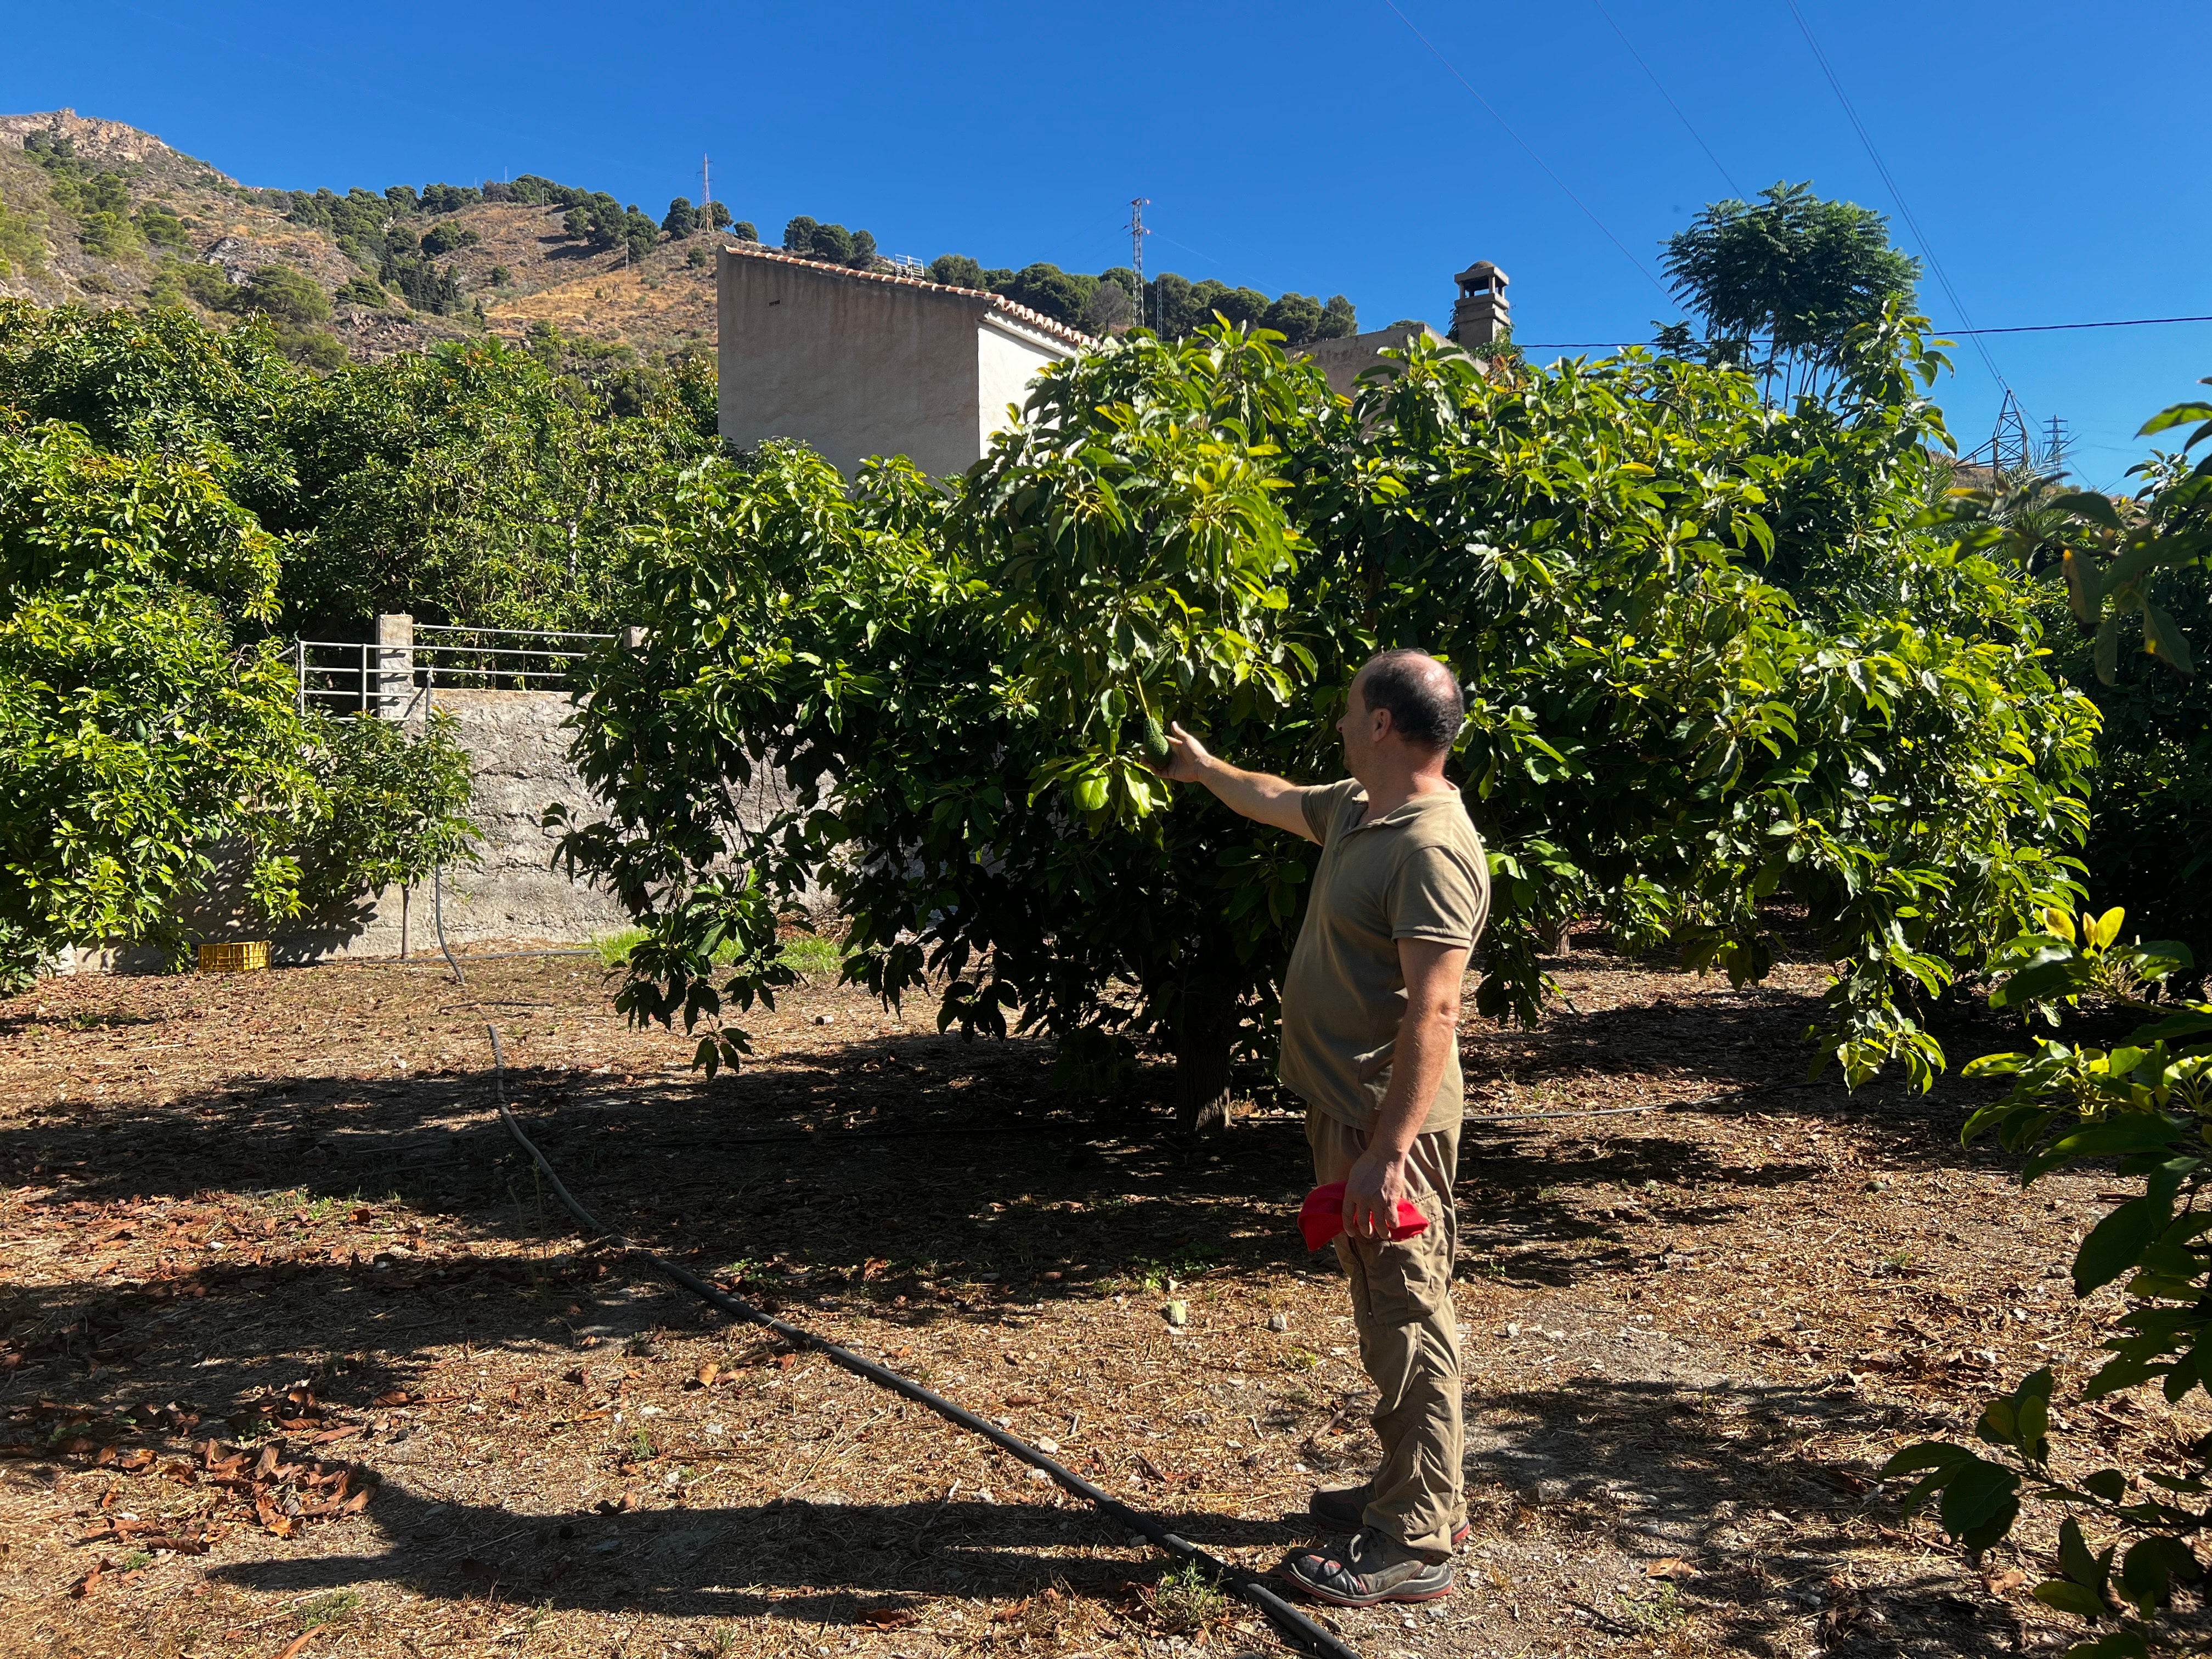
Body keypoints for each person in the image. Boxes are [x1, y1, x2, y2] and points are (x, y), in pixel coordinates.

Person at [1157, 648, 1487, 1608]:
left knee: (1410, 1317)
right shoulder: (1358, 809)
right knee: (1384, 1309)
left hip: (1391, 1129)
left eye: (1352, 710)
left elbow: (1435, 1012)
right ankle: (1419, 1490)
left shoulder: (1430, 846)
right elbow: (1271, 794)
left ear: (1382, 723)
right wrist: (1206, 769)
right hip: (1349, 1116)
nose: (1341, 722)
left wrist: (1388, 1153)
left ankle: (1417, 1542)